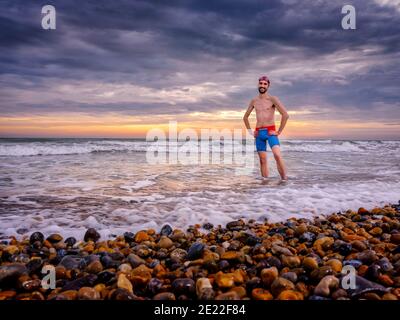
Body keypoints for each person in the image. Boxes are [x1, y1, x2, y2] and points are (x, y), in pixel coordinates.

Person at [243, 75, 289, 181]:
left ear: (268, 86)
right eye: (261, 83)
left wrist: (279, 132)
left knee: (277, 155)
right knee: (262, 160)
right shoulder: (254, 101)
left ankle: (284, 180)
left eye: (265, 84)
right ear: (258, 84)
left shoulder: (272, 99)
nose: (262, 85)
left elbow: (285, 115)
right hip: (259, 133)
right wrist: (250, 131)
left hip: (270, 132)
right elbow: (245, 117)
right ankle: (265, 184)